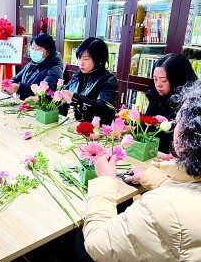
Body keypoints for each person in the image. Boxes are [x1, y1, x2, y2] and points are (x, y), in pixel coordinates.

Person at [83, 80, 201, 261]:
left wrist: (105, 180)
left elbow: (98, 245)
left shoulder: (161, 208)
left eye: (179, 122)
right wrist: (149, 176)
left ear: (191, 135)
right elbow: (189, 194)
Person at [24, 37, 118, 125]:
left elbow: (102, 108)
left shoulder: (108, 80)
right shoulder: (79, 74)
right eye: (79, 58)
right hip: (75, 124)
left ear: (99, 59)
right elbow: (61, 93)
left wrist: (74, 97)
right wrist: (41, 99)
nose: (80, 63)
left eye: (86, 59)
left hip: (97, 129)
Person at [144, 53, 197, 153]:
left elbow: (172, 137)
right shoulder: (156, 96)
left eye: (164, 81)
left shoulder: (189, 103)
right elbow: (147, 123)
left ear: (177, 80)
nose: (158, 85)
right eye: (155, 79)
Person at [6, 33, 63, 100]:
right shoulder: (31, 64)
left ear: (48, 52)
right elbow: (16, 79)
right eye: (32, 48)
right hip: (25, 102)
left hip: (39, 107)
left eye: (38, 49)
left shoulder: (55, 69)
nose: (34, 51)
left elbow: (47, 93)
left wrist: (19, 88)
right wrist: (9, 85)